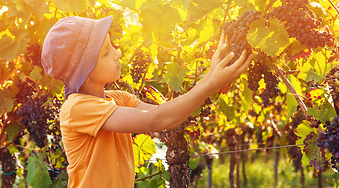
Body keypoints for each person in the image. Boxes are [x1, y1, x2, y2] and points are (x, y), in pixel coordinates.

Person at [41, 15, 253, 188]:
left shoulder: (117, 99)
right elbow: (156, 120)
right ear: (85, 72)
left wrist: (211, 74)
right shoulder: (76, 108)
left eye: (112, 45)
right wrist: (210, 84)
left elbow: (168, 117)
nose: (118, 53)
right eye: (107, 52)